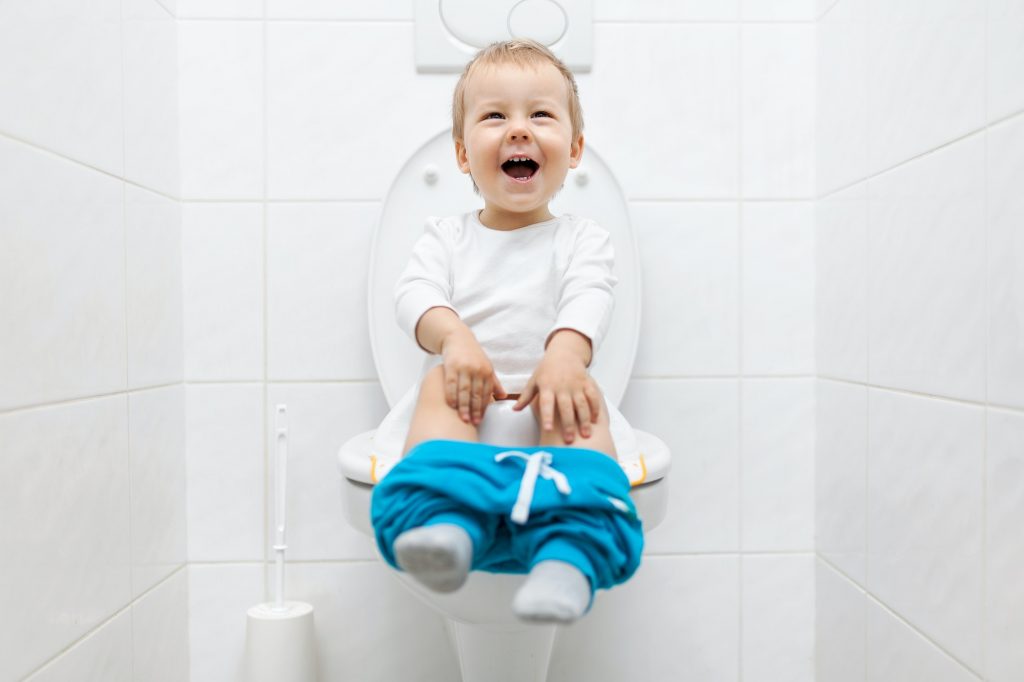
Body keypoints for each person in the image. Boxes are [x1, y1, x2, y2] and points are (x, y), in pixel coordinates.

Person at [370, 39, 642, 625]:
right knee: (440, 384)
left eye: (540, 114)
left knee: (580, 400)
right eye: (495, 115)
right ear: (464, 154)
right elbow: (414, 293)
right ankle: (448, 528)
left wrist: (566, 356)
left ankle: (568, 560)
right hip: (465, 413)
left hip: (554, 407)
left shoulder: (582, 239)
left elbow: (589, 293)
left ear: (573, 150)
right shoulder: (446, 235)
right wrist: (454, 339)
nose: (518, 130)